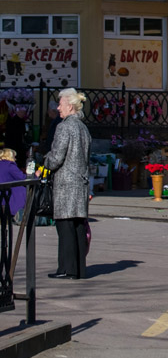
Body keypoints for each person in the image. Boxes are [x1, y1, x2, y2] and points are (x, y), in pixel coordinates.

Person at [44, 88, 92, 280]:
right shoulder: (83, 127)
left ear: (70, 106)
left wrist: (44, 161)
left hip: (66, 184)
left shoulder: (64, 127)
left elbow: (56, 157)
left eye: (61, 104)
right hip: (80, 182)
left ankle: (66, 269)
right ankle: (79, 269)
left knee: (65, 227)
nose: (58, 108)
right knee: (78, 226)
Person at [0, 149, 27, 222]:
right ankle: (18, 214)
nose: (15, 159)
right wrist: (36, 175)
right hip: (6, 195)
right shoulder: (9, 165)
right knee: (21, 189)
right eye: (14, 157)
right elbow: (22, 178)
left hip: (2, 193)